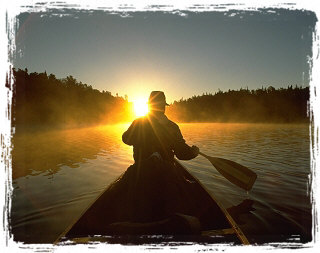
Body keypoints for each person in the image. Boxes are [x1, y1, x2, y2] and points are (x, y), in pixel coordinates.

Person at [122, 91, 199, 164]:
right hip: (166, 171)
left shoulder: (138, 122)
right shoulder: (172, 126)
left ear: (149, 106)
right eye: (160, 105)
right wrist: (193, 152)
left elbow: (126, 139)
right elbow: (182, 154)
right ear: (164, 107)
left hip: (142, 171)